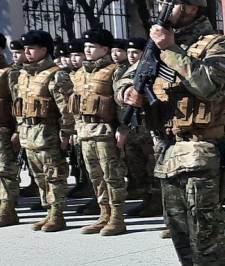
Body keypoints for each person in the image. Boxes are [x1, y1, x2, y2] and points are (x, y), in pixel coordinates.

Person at [116, 0, 225, 266]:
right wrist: (128, 94)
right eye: (162, 2)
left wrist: (171, 50)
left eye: (174, 1)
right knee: (182, 235)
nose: (167, 9)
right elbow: (127, 78)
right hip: (168, 152)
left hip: (203, 151)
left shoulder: (215, 45)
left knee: (206, 233)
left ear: (193, 4)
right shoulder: (156, 46)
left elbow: (209, 86)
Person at [71, 27, 129, 236]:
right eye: (85, 46)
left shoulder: (115, 71)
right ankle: (104, 213)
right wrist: (76, 130)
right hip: (86, 132)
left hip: (106, 131)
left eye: (92, 47)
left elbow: (122, 105)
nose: (87, 50)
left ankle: (117, 217)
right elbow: (75, 105)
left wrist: (123, 129)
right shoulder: (78, 74)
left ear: (104, 48)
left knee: (112, 175)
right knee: (95, 177)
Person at [14, 30, 74, 232]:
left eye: (31, 48)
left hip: (48, 134)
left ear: (44, 50)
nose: (27, 52)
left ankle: (58, 215)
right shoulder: (23, 75)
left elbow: (66, 109)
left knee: (54, 175)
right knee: (39, 177)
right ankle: (48, 212)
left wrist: (65, 134)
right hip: (28, 134)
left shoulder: (56, 75)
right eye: (25, 49)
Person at [121, 37, 162, 218]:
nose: (131, 56)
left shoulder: (158, 65)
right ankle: (147, 199)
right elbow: (120, 84)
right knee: (138, 166)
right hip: (136, 127)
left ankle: (156, 201)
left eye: (135, 53)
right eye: (128, 53)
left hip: (151, 127)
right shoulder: (133, 71)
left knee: (153, 165)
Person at [0, 34, 19, 226]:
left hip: (3, 129)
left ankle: (7, 209)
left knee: (5, 171)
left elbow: (18, 104)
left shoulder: (9, 73)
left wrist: (18, 130)